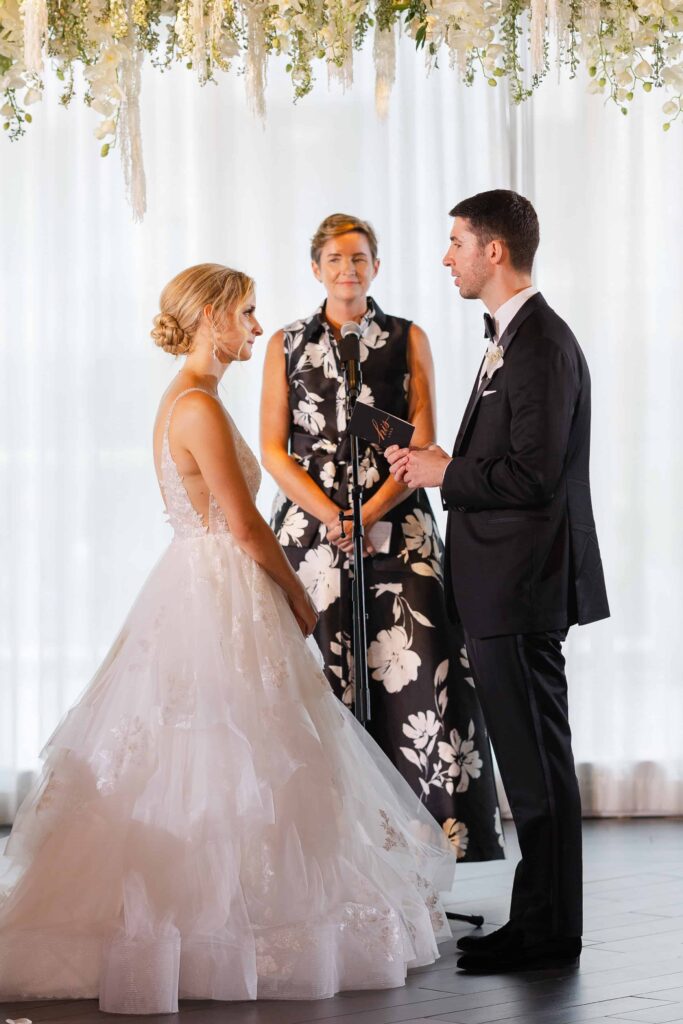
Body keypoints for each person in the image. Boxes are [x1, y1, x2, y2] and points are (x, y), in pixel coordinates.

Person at [0, 264, 457, 1014]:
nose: (255, 326)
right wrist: (298, 600)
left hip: (206, 583)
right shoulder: (196, 406)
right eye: (245, 313)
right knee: (223, 751)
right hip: (219, 588)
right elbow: (244, 526)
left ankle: (231, 916)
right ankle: (209, 929)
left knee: (241, 753)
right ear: (210, 316)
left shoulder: (197, 398)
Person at [387, 190, 610, 974]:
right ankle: (540, 919)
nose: (445, 257)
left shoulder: (539, 344)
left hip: (519, 588)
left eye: (455, 243)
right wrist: (433, 467)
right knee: (532, 766)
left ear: (493, 252)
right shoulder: (512, 341)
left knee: (538, 767)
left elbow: (534, 473)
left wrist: (444, 472)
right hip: (504, 587)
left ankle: (549, 932)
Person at [261, 214, 503, 862]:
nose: (348, 269)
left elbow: (422, 440)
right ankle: (328, 860)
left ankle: (420, 856)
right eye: (336, 258)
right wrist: (331, 518)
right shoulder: (285, 344)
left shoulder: (407, 336)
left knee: (425, 672)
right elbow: (272, 451)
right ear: (315, 267)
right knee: (316, 677)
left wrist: (366, 513)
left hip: (397, 524)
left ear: (376, 266)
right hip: (313, 534)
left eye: (360, 258)